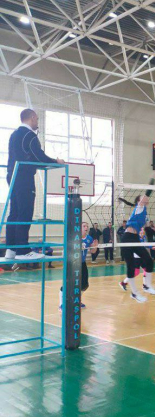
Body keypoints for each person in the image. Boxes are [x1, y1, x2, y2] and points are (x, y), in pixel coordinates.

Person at [5, 108, 64, 261]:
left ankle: (11, 249)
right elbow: (39, 157)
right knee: (25, 212)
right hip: (24, 177)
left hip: (12, 175)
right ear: (32, 118)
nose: (37, 122)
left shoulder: (14, 135)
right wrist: (56, 162)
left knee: (14, 212)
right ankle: (22, 250)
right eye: (37, 119)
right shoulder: (29, 135)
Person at [118, 186, 155, 303]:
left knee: (149, 261)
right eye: (142, 198)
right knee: (131, 267)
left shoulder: (144, 212)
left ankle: (147, 286)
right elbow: (146, 196)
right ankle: (134, 293)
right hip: (127, 238)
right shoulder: (139, 207)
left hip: (135, 238)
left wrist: (153, 228)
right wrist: (152, 182)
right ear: (139, 201)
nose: (146, 199)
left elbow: (144, 226)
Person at [59, 221, 96, 311]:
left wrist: (95, 246)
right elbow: (65, 250)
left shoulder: (89, 238)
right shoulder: (73, 237)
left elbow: (93, 251)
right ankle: (61, 304)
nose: (86, 227)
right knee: (68, 284)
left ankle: (77, 300)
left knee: (84, 285)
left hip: (82, 263)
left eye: (87, 226)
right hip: (72, 263)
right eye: (84, 226)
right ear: (79, 228)